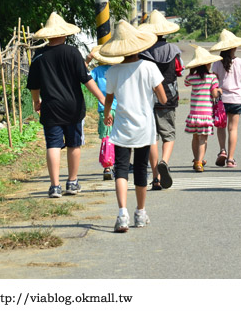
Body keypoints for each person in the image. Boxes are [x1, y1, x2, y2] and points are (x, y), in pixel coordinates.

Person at [27, 12, 106, 198]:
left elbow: (34, 85)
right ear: (64, 34)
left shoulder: (39, 56)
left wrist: (36, 101)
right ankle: (72, 182)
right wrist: (101, 98)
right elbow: (86, 80)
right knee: (74, 144)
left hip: (51, 107)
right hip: (73, 106)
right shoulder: (72, 52)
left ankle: (55, 186)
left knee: (53, 145)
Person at [100, 20, 167, 233]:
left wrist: (108, 114)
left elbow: (109, 98)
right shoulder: (149, 67)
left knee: (120, 170)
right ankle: (140, 213)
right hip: (144, 128)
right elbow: (163, 98)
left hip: (122, 128)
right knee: (140, 169)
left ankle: (122, 215)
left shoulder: (113, 71)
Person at [138, 10, 184, 190]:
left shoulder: (144, 51)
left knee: (152, 138)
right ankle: (165, 161)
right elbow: (179, 71)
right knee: (169, 135)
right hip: (169, 97)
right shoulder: (174, 50)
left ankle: (156, 177)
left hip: (148, 98)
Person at [210, 29, 241, 168]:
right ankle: (231, 159)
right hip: (237, 99)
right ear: (235, 47)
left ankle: (222, 150)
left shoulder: (216, 63)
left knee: (221, 127)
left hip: (221, 99)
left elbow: (214, 82)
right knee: (233, 129)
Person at [85, 45, 124, 180]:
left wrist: (88, 59)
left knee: (107, 137)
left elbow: (83, 73)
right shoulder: (119, 70)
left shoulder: (97, 71)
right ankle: (120, 165)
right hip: (120, 108)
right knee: (120, 137)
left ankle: (108, 166)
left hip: (104, 108)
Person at [184, 45, 222, 172]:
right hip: (205, 113)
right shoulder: (212, 77)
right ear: (207, 64)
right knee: (203, 139)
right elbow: (214, 94)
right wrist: (219, 91)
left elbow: (186, 81)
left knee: (195, 137)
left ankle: (196, 159)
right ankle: (199, 162)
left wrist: (192, 71)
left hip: (194, 113)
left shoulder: (192, 78)